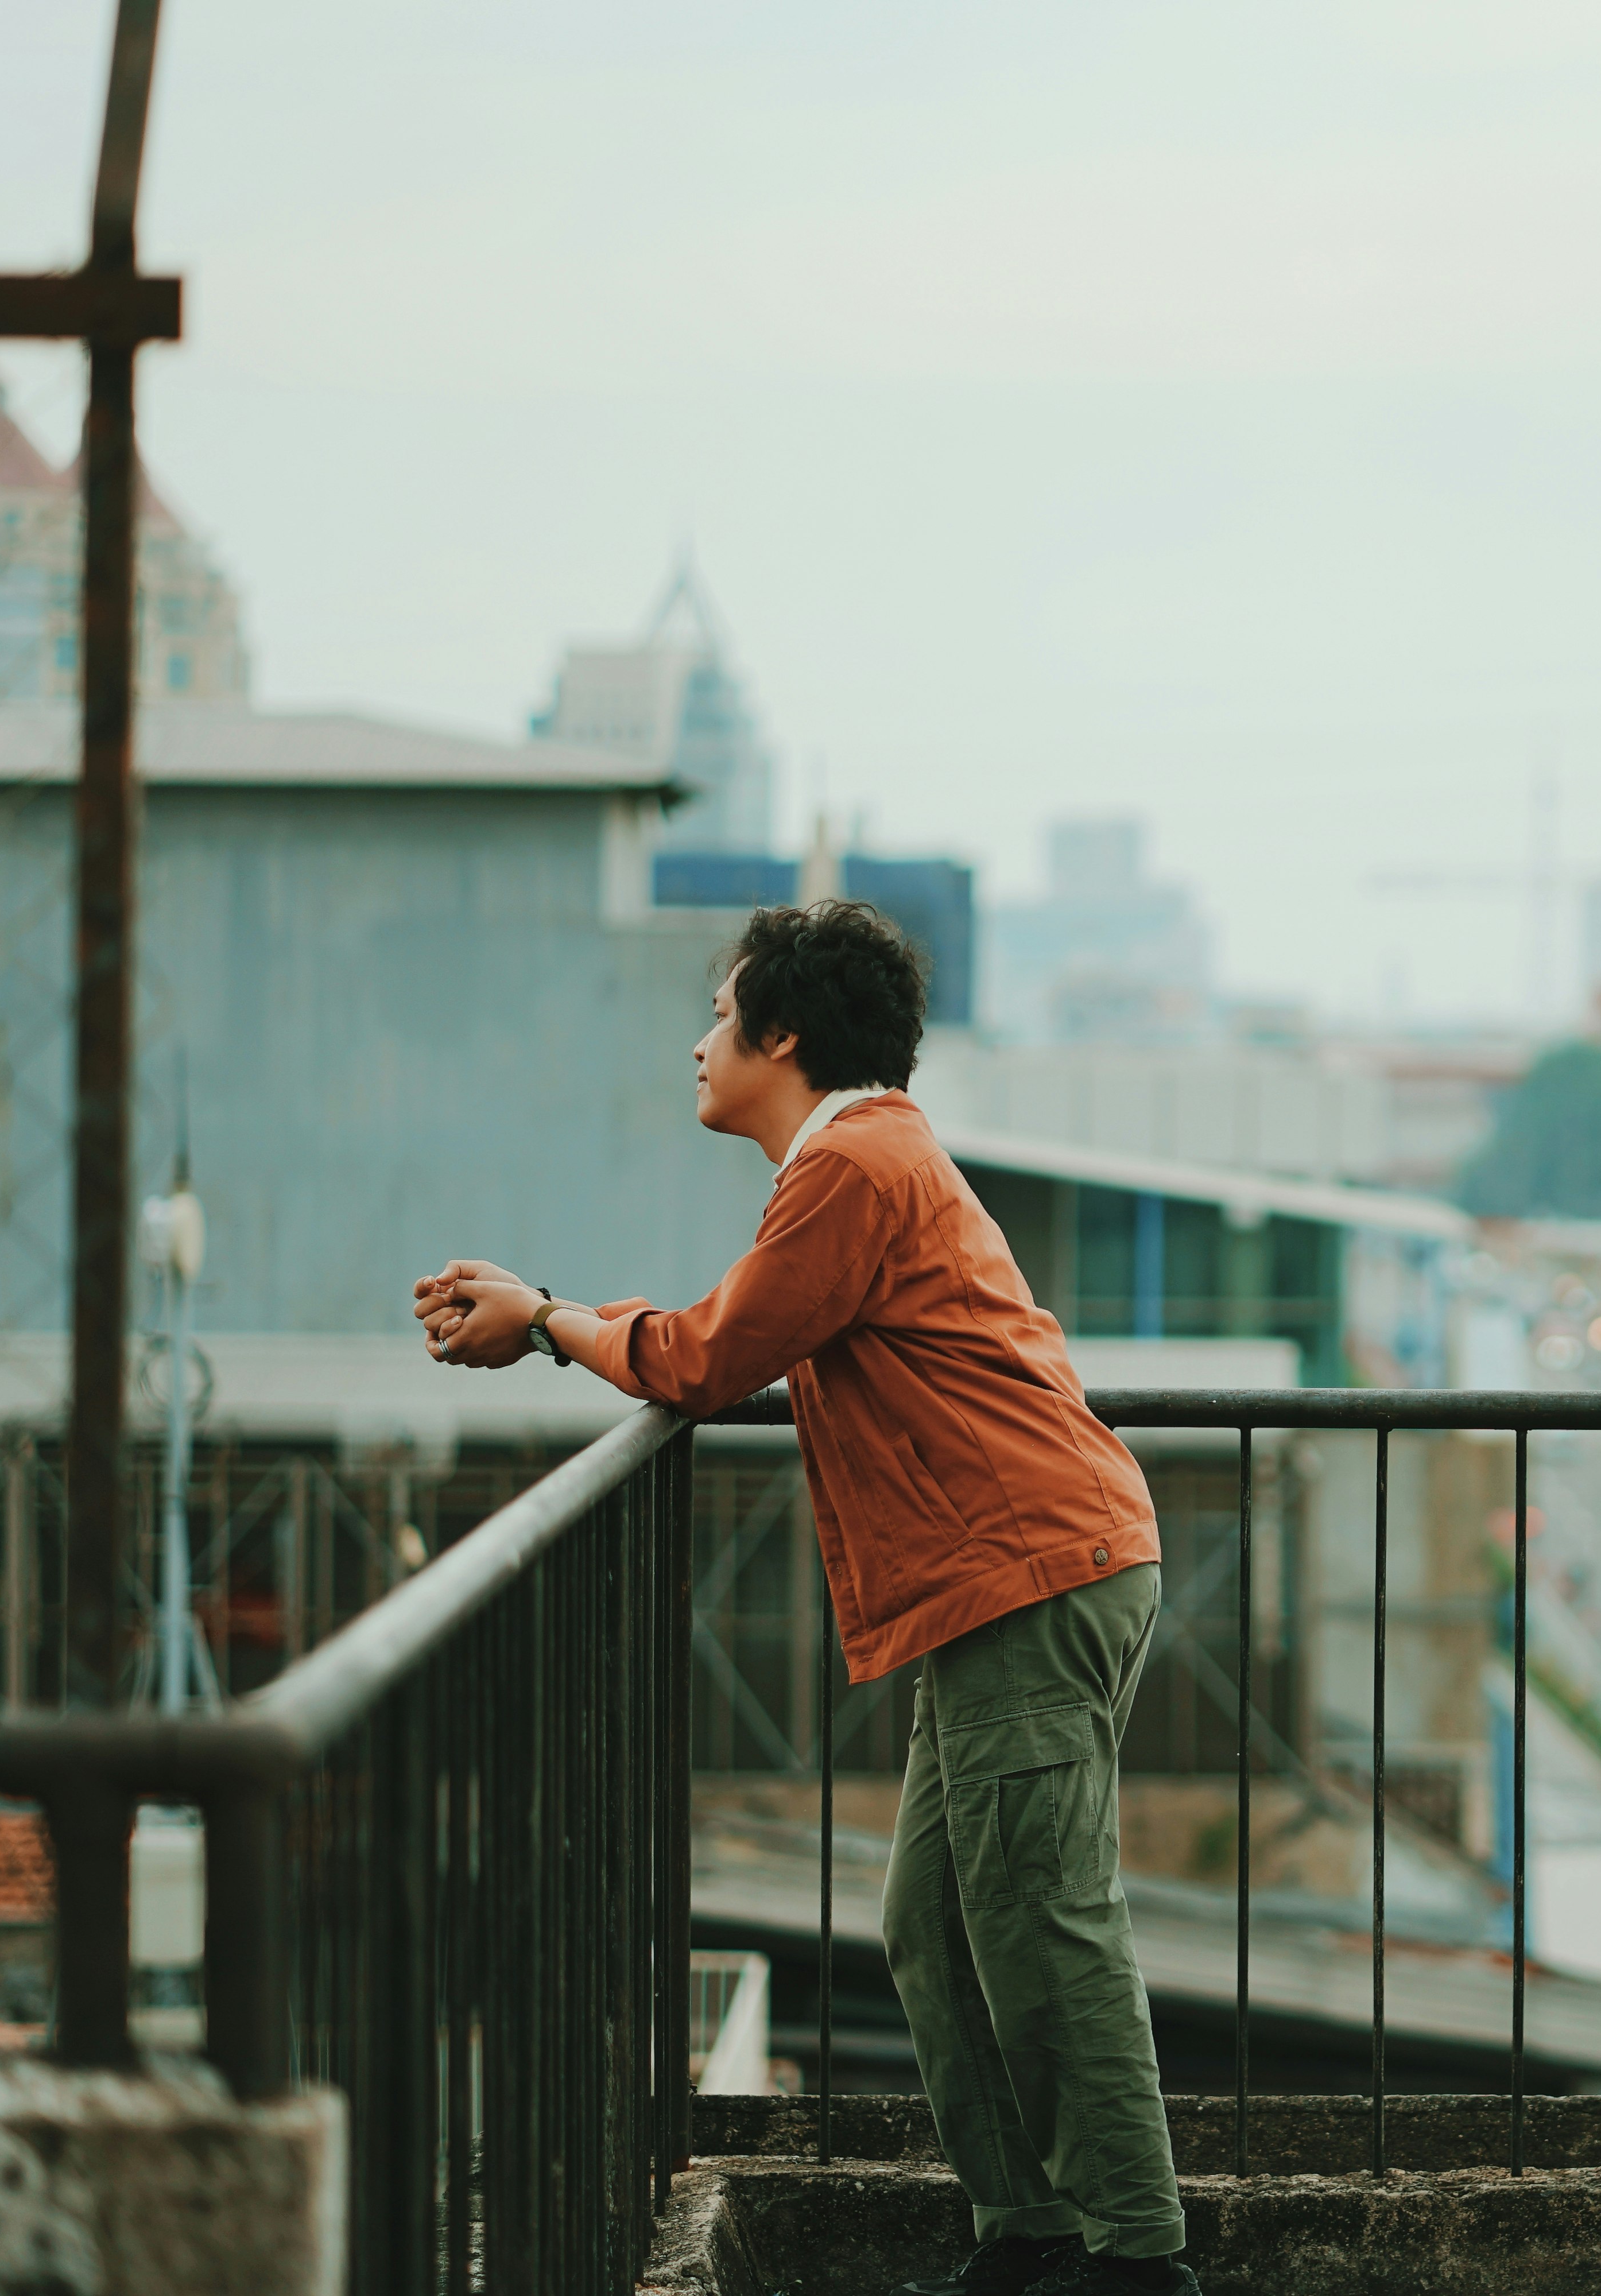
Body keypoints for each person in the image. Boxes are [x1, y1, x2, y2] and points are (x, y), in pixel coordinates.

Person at [416, 900, 1197, 2296]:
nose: (701, 1040)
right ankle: (1032, 2233)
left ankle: (1134, 2257)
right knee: (933, 1918)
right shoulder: (861, 1156)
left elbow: (709, 1356)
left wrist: (542, 1316)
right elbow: (731, 1341)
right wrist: (550, 1317)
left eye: (720, 1015)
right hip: (1002, 1581)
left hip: (1032, 1570)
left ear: (782, 1032)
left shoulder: (855, 1158)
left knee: (1042, 1911)